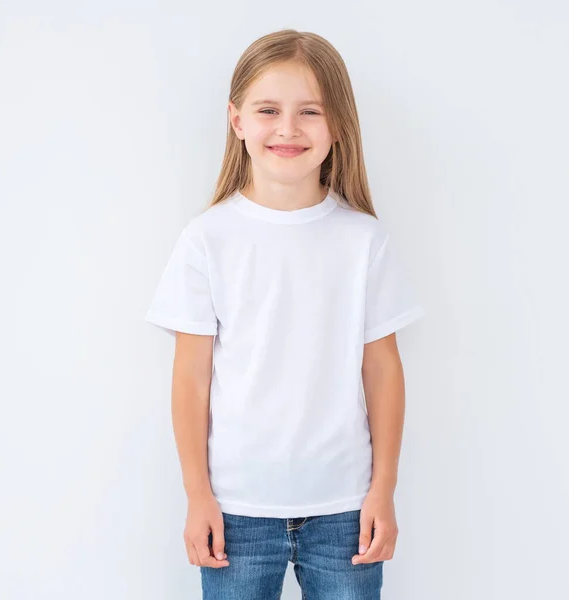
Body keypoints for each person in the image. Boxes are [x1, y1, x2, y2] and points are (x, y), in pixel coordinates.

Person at [145, 28, 425, 600]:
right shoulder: (207, 239)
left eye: (310, 111)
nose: (288, 128)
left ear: (338, 124)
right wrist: (198, 493)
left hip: (346, 510)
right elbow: (191, 377)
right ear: (237, 119)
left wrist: (383, 490)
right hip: (237, 512)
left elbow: (383, 371)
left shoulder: (364, 241)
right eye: (268, 109)